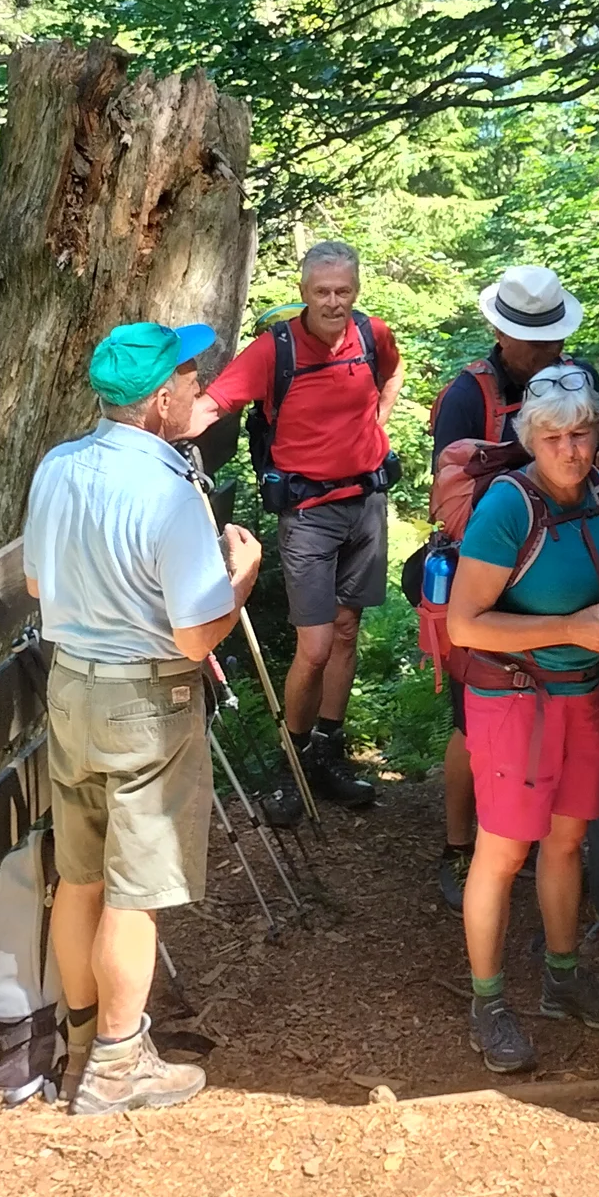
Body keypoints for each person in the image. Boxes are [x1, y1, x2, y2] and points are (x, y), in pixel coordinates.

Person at [24, 320, 263, 1116]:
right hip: (146, 704)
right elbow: (197, 635)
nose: (201, 389)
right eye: (191, 379)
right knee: (135, 893)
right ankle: (121, 1071)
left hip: (69, 690)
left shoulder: (57, 466)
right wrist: (243, 578)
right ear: (161, 399)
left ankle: (83, 1044)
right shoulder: (168, 493)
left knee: (80, 877)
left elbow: (34, 584)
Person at [447, 367, 599, 1073]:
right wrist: (571, 625)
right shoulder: (509, 506)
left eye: (582, 434)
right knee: (502, 853)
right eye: (555, 437)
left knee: (567, 842)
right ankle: (488, 1001)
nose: (570, 449)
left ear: (598, 433)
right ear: (532, 438)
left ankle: (562, 977)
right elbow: (465, 625)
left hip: (582, 692)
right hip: (514, 701)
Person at [427, 265, 599, 910]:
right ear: (501, 333)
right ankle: (465, 848)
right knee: (469, 720)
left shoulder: (576, 381)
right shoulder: (467, 395)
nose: (548, 351)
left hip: (564, 564)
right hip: (488, 572)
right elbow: (452, 496)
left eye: (553, 338)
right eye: (533, 340)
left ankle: (542, 861)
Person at [188, 240, 402, 817]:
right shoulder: (273, 350)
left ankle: (329, 751)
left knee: (349, 629)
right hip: (308, 514)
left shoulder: (371, 335)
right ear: (304, 292)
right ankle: (294, 761)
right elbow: (214, 404)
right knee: (316, 644)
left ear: (356, 290)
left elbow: (391, 374)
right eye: (322, 292)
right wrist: (147, 434)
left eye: (344, 292)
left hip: (366, 503)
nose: (334, 303)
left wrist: (374, 429)